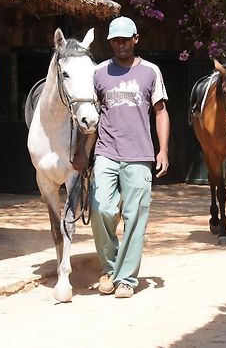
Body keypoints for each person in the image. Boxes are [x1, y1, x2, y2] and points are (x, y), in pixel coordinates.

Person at [73, 16, 170, 298]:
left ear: (136, 39)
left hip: (139, 155)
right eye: (116, 40)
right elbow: (89, 116)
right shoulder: (100, 72)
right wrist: (81, 150)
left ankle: (126, 278)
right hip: (106, 151)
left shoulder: (151, 72)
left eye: (125, 39)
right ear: (110, 42)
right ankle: (110, 268)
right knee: (101, 207)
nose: (121, 44)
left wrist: (162, 149)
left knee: (135, 217)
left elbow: (161, 111)